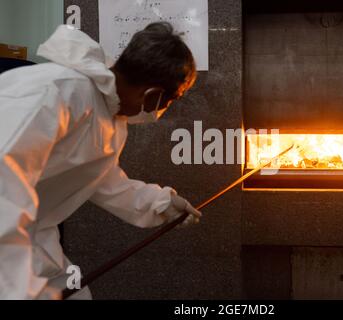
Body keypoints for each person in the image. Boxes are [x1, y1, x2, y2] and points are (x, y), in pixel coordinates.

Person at [0, 22, 201, 300]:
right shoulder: (58, 92)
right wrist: (19, 289)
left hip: (29, 238)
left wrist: (161, 203)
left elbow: (102, 179)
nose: (165, 110)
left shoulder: (108, 115)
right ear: (152, 95)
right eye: (172, 100)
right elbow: (4, 180)